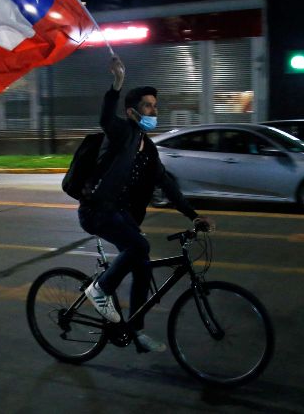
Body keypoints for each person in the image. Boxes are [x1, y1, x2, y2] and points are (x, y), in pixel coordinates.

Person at [79, 55, 214, 353]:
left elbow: (166, 184)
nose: (155, 110)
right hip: (96, 210)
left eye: (155, 105)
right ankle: (100, 289)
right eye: (148, 106)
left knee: (142, 265)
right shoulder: (123, 133)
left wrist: (193, 215)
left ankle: (135, 331)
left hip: (119, 212)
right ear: (132, 112)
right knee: (139, 246)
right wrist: (117, 83)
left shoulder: (148, 148)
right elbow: (105, 118)